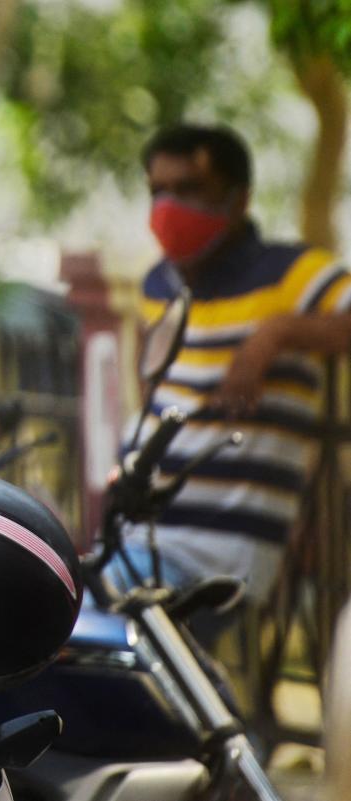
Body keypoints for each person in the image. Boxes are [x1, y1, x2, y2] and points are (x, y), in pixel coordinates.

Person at [116, 124, 351, 642]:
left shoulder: (293, 273)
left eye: (189, 189)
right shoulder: (157, 285)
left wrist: (276, 333)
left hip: (217, 559)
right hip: (136, 540)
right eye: (158, 192)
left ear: (239, 199)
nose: (169, 207)